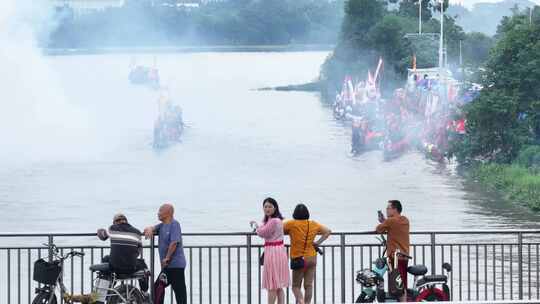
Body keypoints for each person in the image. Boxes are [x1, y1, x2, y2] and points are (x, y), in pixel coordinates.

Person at [284, 204, 332, 304]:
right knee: (309, 285)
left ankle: (301, 302)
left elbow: (277, 229)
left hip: (299, 258)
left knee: (296, 286)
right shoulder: (313, 224)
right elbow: (328, 231)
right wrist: (318, 243)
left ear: (295, 214)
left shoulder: (292, 224)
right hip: (312, 257)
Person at [144, 203, 187, 304]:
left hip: (176, 265)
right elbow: (151, 228)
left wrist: (167, 258)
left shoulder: (174, 224)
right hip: (167, 267)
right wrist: (149, 229)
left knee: (179, 292)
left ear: (168, 213)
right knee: (159, 287)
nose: (158, 213)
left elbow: (174, 243)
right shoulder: (162, 225)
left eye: (160, 211)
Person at [250, 198, 290, 304]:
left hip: (273, 252)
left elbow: (263, 232)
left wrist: (255, 227)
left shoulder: (273, 221)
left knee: (272, 285)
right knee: (278, 286)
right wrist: (260, 225)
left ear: (275, 208)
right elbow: (265, 228)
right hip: (279, 251)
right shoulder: (276, 220)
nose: (267, 209)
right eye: (265, 206)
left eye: (269, 206)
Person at [376, 200, 410, 302]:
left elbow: (378, 229)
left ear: (394, 209)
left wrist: (383, 222)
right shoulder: (405, 220)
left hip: (394, 257)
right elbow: (394, 226)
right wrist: (385, 221)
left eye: (388, 208)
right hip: (404, 256)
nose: (386, 210)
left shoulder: (390, 221)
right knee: (402, 283)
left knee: (397, 287)